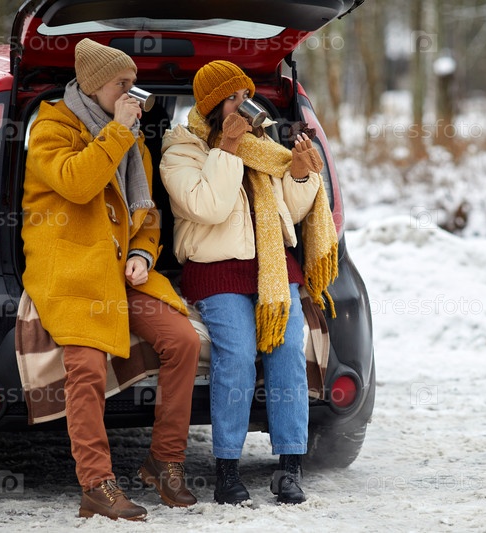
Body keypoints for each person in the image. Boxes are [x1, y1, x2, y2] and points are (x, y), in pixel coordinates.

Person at [21, 38, 201, 521]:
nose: (132, 93)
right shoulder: (51, 128)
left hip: (120, 272)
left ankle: (164, 462)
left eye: (133, 83)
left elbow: (146, 214)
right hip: (72, 268)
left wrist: (142, 253)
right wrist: (119, 131)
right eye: (122, 83)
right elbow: (79, 183)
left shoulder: (131, 138)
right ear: (94, 85)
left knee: (183, 340)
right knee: (86, 364)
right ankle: (96, 485)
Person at [159, 60, 338, 505]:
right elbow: (211, 206)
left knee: (287, 353)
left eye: (247, 96)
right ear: (211, 105)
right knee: (237, 355)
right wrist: (229, 146)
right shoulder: (181, 151)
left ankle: (290, 467)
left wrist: (300, 174)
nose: (245, 105)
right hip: (216, 269)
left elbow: (291, 213)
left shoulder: (263, 146)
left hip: (274, 269)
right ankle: (226, 470)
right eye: (233, 98)